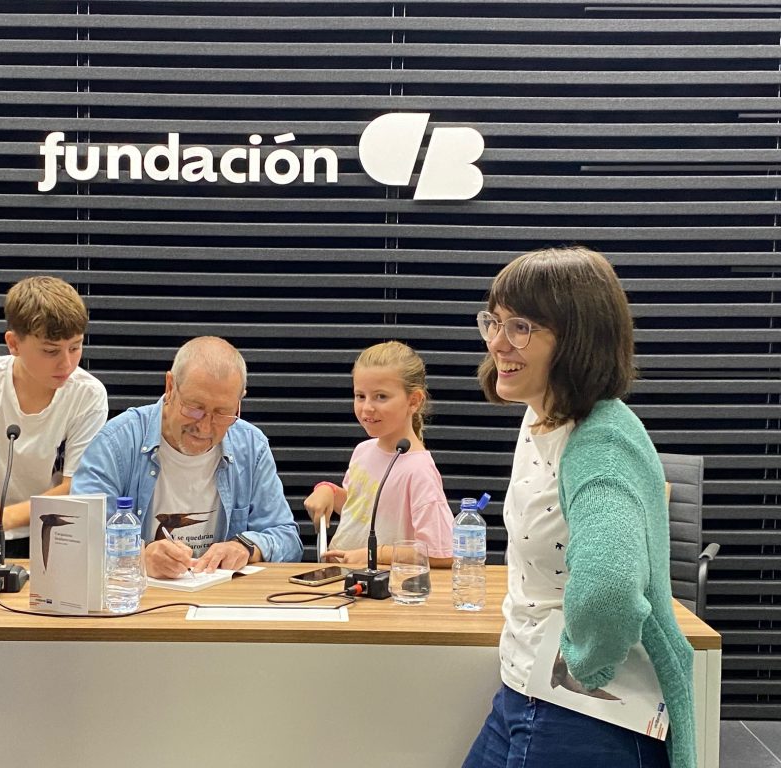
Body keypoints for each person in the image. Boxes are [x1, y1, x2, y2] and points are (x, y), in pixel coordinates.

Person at [462, 246, 695, 768]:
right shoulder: (540, 416)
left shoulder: (600, 444)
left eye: (521, 327)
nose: (497, 342)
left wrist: (584, 667)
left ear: (577, 339)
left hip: (584, 710)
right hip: (527, 689)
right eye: (493, 322)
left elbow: (610, 588)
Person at [71, 336, 302, 579]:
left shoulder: (251, 447)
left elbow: (287, 539)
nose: (205, 427)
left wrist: (245, 546)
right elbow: (78, 538)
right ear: (170, 386)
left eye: (222, 413)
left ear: (239, 401)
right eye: (195, 408)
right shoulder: (116, 443)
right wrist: (139, 557)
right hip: (139, 596)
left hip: (221, 596)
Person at [0, 276, 108, 568]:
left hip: (62, 532)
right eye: (50, 351)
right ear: (14, 344)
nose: (66, 363)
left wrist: (9, 514)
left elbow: (77, 485)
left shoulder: (88, 395)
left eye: (75, 347)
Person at [304, 341, 454, 567]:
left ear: (414, 401)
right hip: (344, 576)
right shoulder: (363, 450)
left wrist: (375, 554)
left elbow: (442, 552)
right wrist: (329, 492)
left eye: (381, 396)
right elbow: (362, 509)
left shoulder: (419, 470)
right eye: (360, 396)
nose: (367, 407)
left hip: (385, 585)